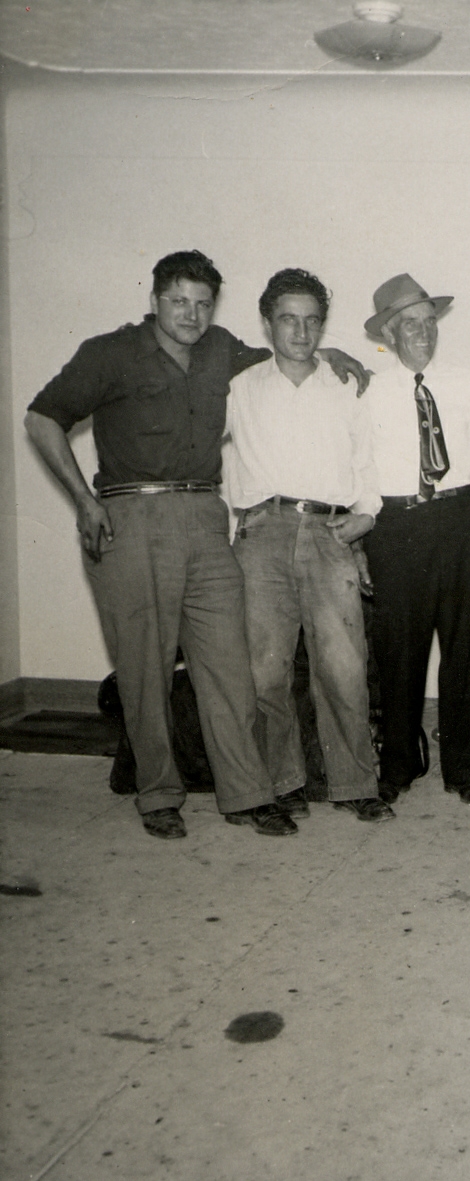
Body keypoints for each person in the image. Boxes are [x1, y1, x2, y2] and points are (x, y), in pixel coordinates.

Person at [24, 249, 367, 839]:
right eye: (178, 301)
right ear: (155, 300)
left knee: (230, 666)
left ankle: (247, 793)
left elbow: (288, 353)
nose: (191, 314)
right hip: (131, 516)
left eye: (203, 303)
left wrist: (333, 352)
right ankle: (158, 793)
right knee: (146, 665)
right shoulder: (108, 353)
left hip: (208, 518)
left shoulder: (221, 350)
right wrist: (84, 500)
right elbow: (42, 418)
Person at [222, 268, 391, 824]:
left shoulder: (346, 387)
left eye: (311, 320)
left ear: (323, 326)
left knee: (343, 668)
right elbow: (209, 458)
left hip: (329, 532)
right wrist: (235, 528)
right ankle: (283, 782)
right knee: (265, 671)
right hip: (262, 534)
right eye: (288, 320)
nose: (300, 331)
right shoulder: (240, 388)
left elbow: (368, 463)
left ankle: (355, 783)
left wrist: (365, 516)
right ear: (268, 324)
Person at [361, 272, 470, 805]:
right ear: (388, 335)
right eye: (409, 323)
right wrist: (362, 538)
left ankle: (463, 771)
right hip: (397, 527)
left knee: (463, 649)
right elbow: (360, 468)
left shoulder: (466, 384)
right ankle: (397, 766)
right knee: (399, 652)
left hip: (459, 517)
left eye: (429, 321)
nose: (423, 332)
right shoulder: (367, 392)